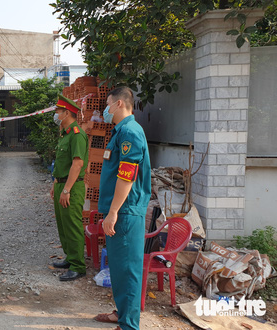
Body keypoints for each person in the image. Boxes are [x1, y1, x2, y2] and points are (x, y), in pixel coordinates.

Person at [94, 87, 151, 330]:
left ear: (119, 104)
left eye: (107, 105)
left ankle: (129, 325)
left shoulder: (129, 132)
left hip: (125, 212)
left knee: (128, 271)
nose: (105, 110)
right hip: (120, 211)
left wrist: (114, 211)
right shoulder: (121, 132)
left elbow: (126, 176)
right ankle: (122, 313)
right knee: (119, 268)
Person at [49, 94, 89, 281]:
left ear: (66, 112)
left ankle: (78, 266)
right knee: (63, 225)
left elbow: (77, 164)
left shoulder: (77, 134)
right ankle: (70, 258)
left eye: (58, 111)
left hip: (71, 187)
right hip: (61, 184)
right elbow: (62, 163)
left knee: (72, 226)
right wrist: (56, 184)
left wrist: (66, 190)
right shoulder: (64, 134)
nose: (55, 114)